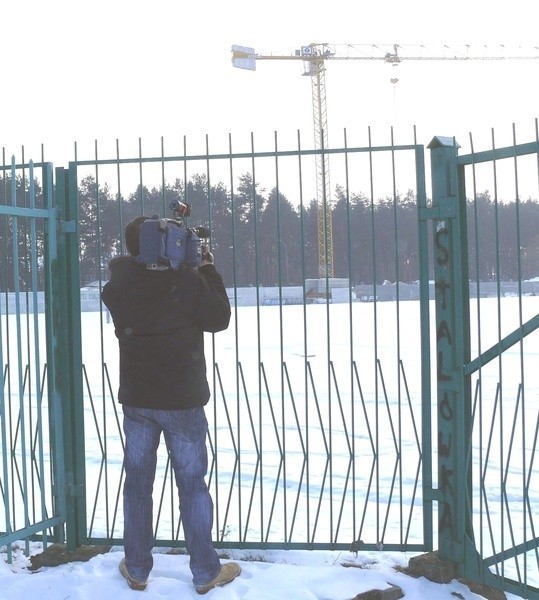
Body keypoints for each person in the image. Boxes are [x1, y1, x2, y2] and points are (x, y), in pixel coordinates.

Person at [101, 216, 240, 594]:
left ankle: (137, 567)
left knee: (137, 484)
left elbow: (135, 283)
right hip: (182, 401)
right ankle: (205, 571)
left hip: (138, 401)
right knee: (193, 485)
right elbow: (219, 318)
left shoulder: (118, 287)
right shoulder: (185, 281)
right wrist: (207, 268)